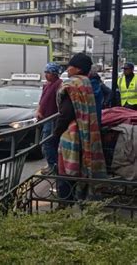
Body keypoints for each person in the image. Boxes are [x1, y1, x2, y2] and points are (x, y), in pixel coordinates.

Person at [54, 53, 106, 201]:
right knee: (80, 166)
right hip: (86, 131)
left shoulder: (71, 85)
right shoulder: (86, 82)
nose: (68, 70)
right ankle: (79, 198)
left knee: (65, 170)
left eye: (70, 67)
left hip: (72, 133)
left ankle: (65, 203)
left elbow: (65, 113)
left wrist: (56, 133)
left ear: (77, 69)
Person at [36, 62, 62, 175]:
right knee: (46, 143)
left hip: (52, 119)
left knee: (48, 143)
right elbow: (42, 100)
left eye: (49, 72)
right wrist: (39, 110)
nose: (46, 74)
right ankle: (51, 164)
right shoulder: (47, 84)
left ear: (55, 74)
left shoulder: (59, 85)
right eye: (45, 72)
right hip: (45, 117)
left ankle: (53, 165)